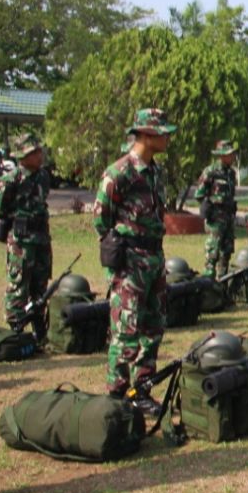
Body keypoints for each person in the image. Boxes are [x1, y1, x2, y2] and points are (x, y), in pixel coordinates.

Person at [93, 108, 175, 410]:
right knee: (126, 330)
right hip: (130, 262)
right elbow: (102, 218)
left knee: (153, 326)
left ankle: (142, 389)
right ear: (145, 134)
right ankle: (117, 394)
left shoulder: (154, 171)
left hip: (154, 257)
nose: (167, 137)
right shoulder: (120, 172)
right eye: (162, 132)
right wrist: (120, 248)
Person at [0, 132, 51, 339]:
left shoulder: (43, 176)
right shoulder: (10, 180)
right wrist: (4, 236)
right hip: (21, 241)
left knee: (40, 285)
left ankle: (39, 328)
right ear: (23, 156)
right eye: (34, 152)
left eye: (39, 151)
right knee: (19, 284)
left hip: (41, 239)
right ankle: (16, 330)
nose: (39, 155)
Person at [193, 140, 238, 278]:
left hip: (228, 217)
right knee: (213, 250)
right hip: (215, 218)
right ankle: (209, 281)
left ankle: (222, 283)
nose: (233, 156)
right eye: (230, 154)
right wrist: (208, 207)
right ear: (222, 155)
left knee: (227, 251)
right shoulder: (210, 171)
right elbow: (199, 194)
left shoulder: (231, 173)